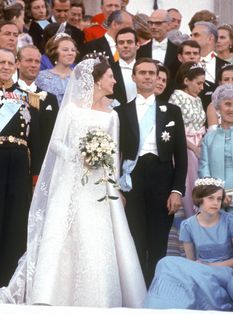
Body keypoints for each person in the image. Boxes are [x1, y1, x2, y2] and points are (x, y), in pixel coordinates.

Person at [0, 55, 146, 306]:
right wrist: (78, 156)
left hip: (100, 186)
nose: (114, 81)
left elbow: (113, 154)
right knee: (62, 234)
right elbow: (55, 144)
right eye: (110, 76)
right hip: (71, 180)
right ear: (97, 81)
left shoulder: (112, 115)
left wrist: (116, 187)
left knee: (98, 235)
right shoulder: (70, 110)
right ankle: (50, 293)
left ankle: (100, 296)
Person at [116, 57, 187, 285]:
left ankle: (156, 289)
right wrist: (117, 189)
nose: (147, 77)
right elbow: (115, 153)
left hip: (162, 178)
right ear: (133, 76)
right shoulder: (120, 111)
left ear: (158, 78)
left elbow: (181, 155)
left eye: (151, 73)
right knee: (135, 237)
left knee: (158, 240)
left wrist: (177, 190)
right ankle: (136, 291)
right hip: (132, 178)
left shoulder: (172, 111)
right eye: (142, 73)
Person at [144, 177, 233, 311]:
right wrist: (199, 267)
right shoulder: (188, 225)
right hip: (200, 269)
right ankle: (160, 308)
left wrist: (210, 266)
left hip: (224, 271)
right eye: (211, 198)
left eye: (219, 199)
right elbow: (190, 261)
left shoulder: (230, 221)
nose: (216, 203)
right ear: (199, 198)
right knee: (165, 262)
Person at [0, 48, 40, 286]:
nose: (5, 66)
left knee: (15, 220)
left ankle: (7, 280)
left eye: (8, 62)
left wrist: (35, 174)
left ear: (16, 66)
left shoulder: (28, 98)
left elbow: (36, 140)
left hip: (18, 162)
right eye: (0, 62)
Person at [169, 62, 206, 218]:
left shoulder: (197, 99)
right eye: (198, 83)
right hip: (186, 148)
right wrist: (193, 147)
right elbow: (176, 130)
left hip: (200, 146)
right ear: (186, 81)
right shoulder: (176, 97)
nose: (202, 88)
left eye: (203, 83)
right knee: (188, 184)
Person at [17, 45, 59, 164]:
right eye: (29, 60)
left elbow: (53, 136)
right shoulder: (7, 93)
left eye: (37, 61)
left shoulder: (50, 99)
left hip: (41, 164)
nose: (33, 65)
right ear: (18, 63)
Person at [199, 84, 233, 212]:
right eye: (227, 104)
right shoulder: (209, 137)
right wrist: (215, 195)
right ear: (218, 107)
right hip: (215, 198)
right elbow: (204, 167)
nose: (231, 109)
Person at [35, 33, 77, 106]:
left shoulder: (80, 77)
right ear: (55, 52)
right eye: (65, 50)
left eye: (73, 50)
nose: (70, 53)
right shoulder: (41, 77)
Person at [111, 27, 138, 104]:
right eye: (121, 42)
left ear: (137, 45)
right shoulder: (108, 71)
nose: (125, 45)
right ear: (116, 47)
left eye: (129, 42)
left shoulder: (147, 69)